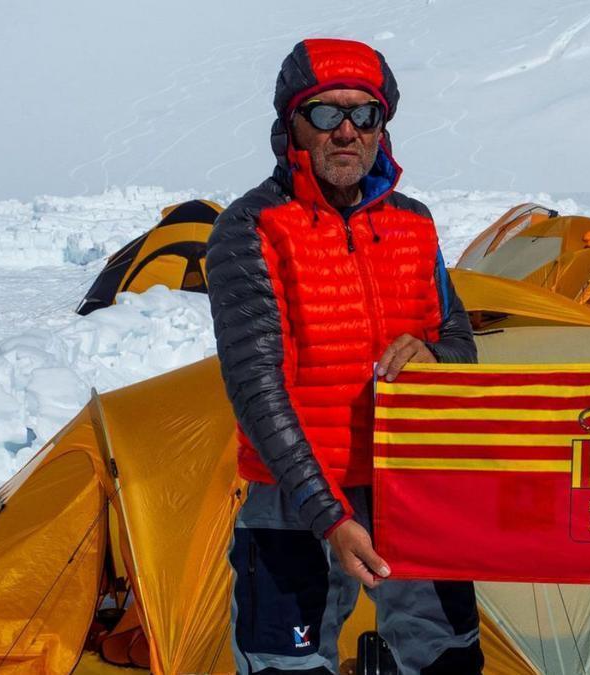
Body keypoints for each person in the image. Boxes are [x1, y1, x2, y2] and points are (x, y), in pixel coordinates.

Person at [206, 39, 483, 675]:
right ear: (292, 125)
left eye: (366, 114)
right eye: (327, 114)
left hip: (408, 487)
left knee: (447, 660)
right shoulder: (251, 228)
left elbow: (461, 344)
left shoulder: (414, 225)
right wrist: (330, 516)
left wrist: (437, 356)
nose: (348, 131)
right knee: (287, 665)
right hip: (291, 499)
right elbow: (257, 390)